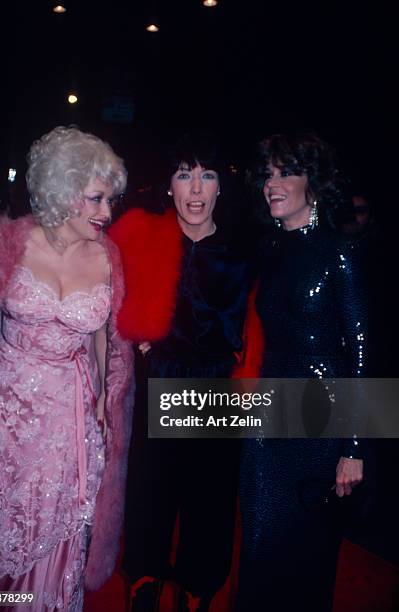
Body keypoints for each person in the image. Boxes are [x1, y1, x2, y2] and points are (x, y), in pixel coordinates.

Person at [0, 126, 135, 610]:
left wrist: (105, 397)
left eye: (110, 200)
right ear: (63, 192)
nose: (107, 212)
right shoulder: (7, 246)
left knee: (57, 536)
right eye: (96, 198)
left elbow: (103, 336)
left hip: (69, 421)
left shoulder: (108, 258)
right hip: (3, 419)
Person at [108, 133, 262, 612]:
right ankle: (145, 585)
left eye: (207, 175)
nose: (196, 189)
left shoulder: (243, 252)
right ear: (169, 185)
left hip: (218, 391)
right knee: (150, 498)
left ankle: (197, 590)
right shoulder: (140, 238)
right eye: (184, 174)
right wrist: (140, 344)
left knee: (210, 506)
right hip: (159, 383)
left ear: (221, 188)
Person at [238, 133, 369, 612]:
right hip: (268, 423)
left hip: (319, 430)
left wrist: (353, 448)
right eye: (267, 174)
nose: (273, 184)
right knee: (256, 546)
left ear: (312, 182)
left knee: (306, 560)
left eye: (286, 172)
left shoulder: (340, 252)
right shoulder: (271, 251)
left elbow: (359, 352)